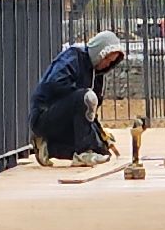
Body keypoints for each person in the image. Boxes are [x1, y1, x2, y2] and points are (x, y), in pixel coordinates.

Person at [29, 30, 125, 167]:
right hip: (45, 115)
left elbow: (89, 114)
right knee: (86, 98)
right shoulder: (73, 57)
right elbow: (53, 84)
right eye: (106, 59)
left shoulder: (96, 75)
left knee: (102, 151)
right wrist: (79, 94)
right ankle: (82, 153)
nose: (107, 64)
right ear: (99, 52)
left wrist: (101, 134)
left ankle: (48, 148)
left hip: (67, 115)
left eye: (111, 62)